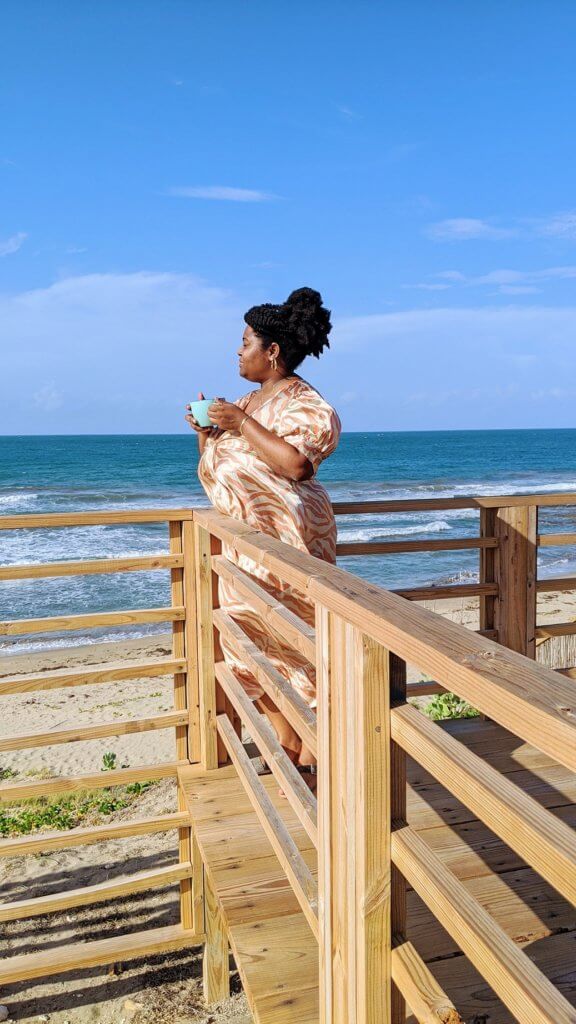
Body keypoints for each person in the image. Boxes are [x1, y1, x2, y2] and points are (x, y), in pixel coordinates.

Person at [185, 287, 341, 790]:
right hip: (245, 552)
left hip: (291, 547)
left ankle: (317, 759)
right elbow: (224, 473)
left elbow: (296, 464)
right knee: (250, 652)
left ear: (271, 351)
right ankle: (292, 748)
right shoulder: (248, 401)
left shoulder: (307, 404)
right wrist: (208, 435)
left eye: (245, 341)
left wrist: (241, 422)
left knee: (298, 651)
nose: (238, 350)